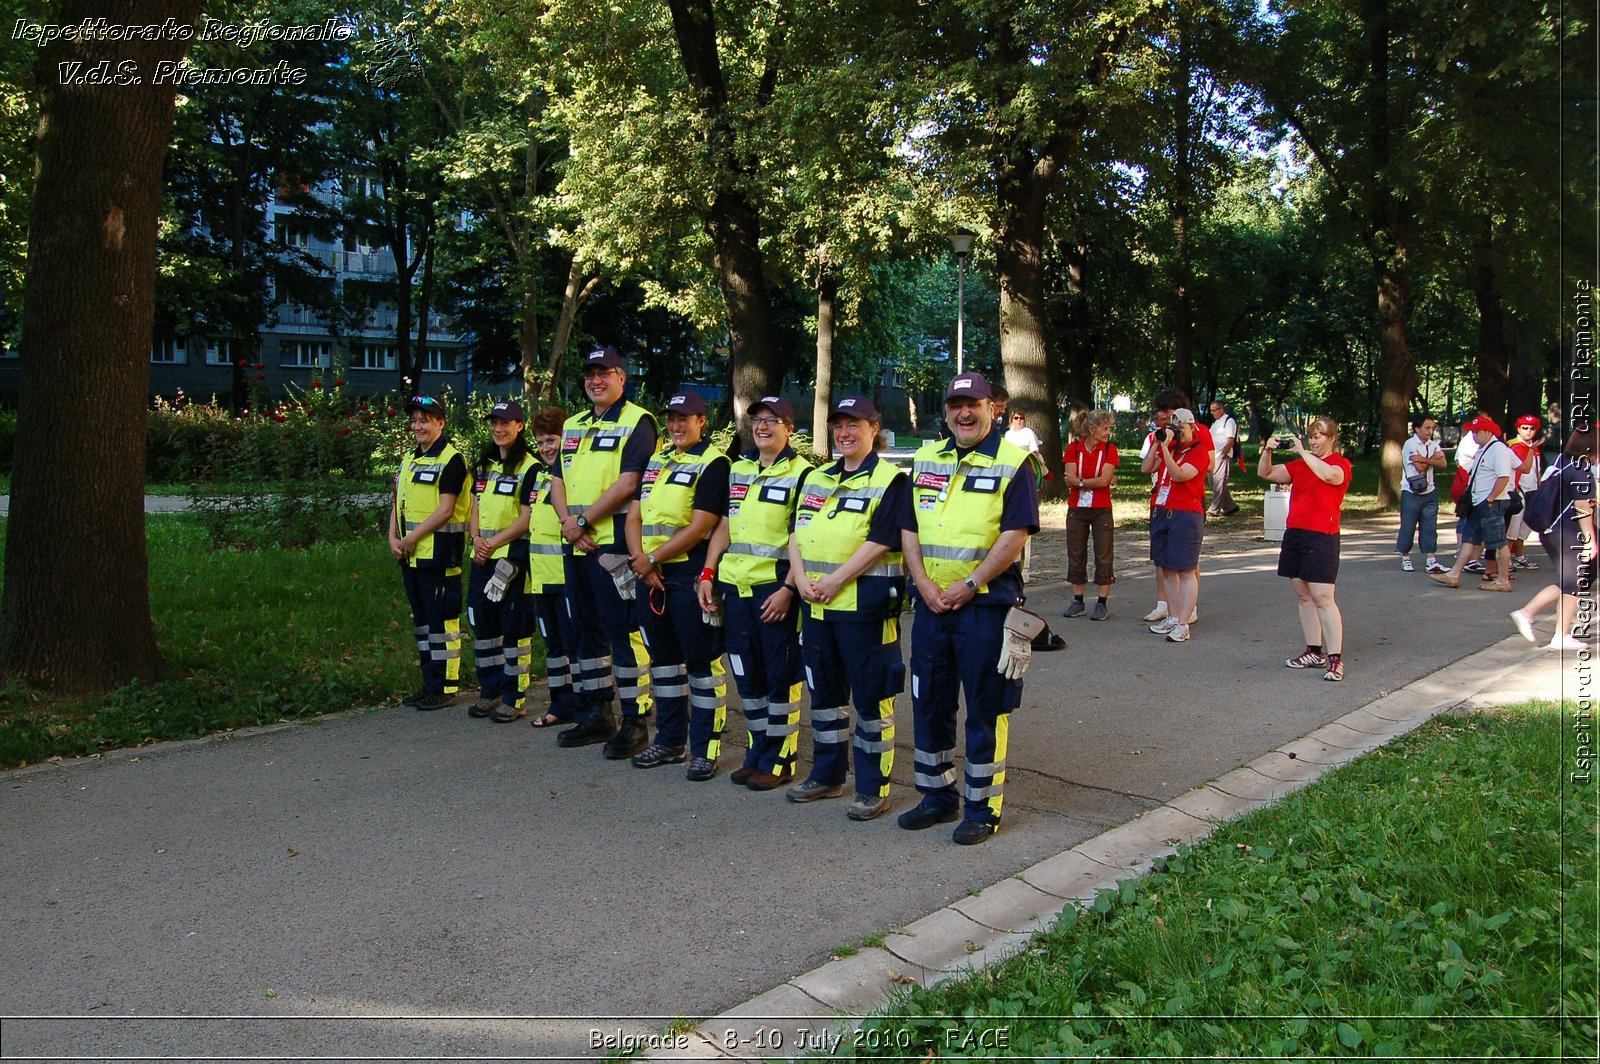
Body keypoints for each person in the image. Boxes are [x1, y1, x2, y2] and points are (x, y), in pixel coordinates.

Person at [900, 372, 1039, 845]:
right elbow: (909, 529)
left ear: (991, 409)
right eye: (956, 405)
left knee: (985, 707)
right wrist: (922, 584)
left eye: (973, 405)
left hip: (984, 606)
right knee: (929, 703)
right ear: (945, 412)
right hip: (931, 606)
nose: (964, 413)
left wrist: (970, 583)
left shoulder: (1014, 461)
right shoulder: (924, 459)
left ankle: (983, 808)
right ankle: (937, 796)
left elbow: (1015, 535)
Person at [787, 396, 911, 822]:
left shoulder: (892, 481)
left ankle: (873, 788)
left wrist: (836, 580)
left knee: (873, 699)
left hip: (866, 609)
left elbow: (880, 542)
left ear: (874, 429)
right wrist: (800, 579)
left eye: (854, 425)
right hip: (818, 608)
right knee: (825, 696)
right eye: (838, 426)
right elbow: (795, 532)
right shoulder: (818, 478)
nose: (845, 433)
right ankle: (827, 774)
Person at [549, 347, 659, 758]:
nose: (596, 380)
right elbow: (557, 479)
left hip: (611, 545)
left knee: (622, 631)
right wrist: (567, 524)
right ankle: (597, 712)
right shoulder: (573, 425)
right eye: (590, 374)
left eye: (605, 373)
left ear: (621, 378)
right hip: (577, 545)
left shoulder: (638, 422)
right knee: (585, 630)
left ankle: (635, 719)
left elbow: (631, 482)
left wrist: (584, 522)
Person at [699, 396, 812, 790]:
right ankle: (756, 752)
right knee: (747, 678)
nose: (763, 426)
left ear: (789, 429)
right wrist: (708, 572)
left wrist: (787, 589)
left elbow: (804, 539)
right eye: (758, 420)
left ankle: (780, 760)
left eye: (773, 420)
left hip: (774, 591)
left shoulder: (803, 475)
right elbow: (726, 526)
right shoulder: (739, 468)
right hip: (736, 587)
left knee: (779, 677)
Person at [625, 392, 731, 781]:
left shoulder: (714, 462)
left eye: (684, 418)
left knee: (702, 665)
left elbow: (702, 525)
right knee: (665, 664)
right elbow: (634, 517)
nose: (676, 425)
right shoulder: (656, 460)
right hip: (652, 577)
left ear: (702, 421)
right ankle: (670, 741)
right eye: (671, 418)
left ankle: (706, 748)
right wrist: (641, 561)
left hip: (687, 577)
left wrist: (652, 559)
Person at [389, 394, 470, 711]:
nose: (418, 426)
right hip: (411, 556)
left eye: (425, 420)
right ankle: (429, 683)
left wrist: (411, 538)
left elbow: (446, 510)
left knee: (443, 622)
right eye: (415, 420)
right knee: (422, 622)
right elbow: (397, 501)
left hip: (439, 555)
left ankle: (446, 686)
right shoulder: (409, 458)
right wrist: (393, 536)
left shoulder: (451, 460)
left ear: (441, 423)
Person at [1259, 417, 1353, 682]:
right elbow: (1266, 474)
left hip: (1322, 536)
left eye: (1318, 436)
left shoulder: (1340, 464)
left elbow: (1329, 476)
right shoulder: (1301, 466)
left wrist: (1301, 451)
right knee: (1303, 595)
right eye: (1310, 437)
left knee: (1323, 596)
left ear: (1331, 438)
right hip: (1296, 534)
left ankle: (1335, 659)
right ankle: (1314, 651)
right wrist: (1267, 450)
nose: (1313, 441)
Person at [465, 400, 538, 723]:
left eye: (505, 423)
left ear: (520, 426)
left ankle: (514, 696)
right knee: (483, 625)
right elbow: (475, 507)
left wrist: (493, 543)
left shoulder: (530, 468)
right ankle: (489, 691)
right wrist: (476, 539)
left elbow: (527, 518)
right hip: (482, 557)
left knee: (513, 629)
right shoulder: (486, 464)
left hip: (512, 559)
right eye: (494, 423)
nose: (498, 428)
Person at [1509, 426, 1598, 651]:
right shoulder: (1582, 470)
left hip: (1551, 529)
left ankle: (1560, 632)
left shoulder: (1562, 461)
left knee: (1570, 582)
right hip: (1568, 530)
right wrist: (1589, 539)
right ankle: (1533, 616)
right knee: (1571, 583)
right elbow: (1582, 507)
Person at [526, 406, 584, 729]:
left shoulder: (572, 476)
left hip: (567, 575)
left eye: (552, 440)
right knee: (554, 648)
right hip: (541, 577)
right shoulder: (537, 476)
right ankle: (559, 704)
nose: (547, 448)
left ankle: (581, 705)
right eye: (541, 442)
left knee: (575, 645)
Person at [1140, 388, 1206, 626]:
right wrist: (1159, 445)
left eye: (1180, 427)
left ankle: (1184, 621)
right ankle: (1173, 615)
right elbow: (1146, 468)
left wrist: (1166, 449)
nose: (1175, 430)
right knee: (1166, 567)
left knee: (1186, 569)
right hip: (1162, 509)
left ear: (1191, 427)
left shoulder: (1197, 450)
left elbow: (1178, 475)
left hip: (1185, 512)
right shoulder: (1168, 446)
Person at [1430, 415, 1516, 592]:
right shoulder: (1484, 448)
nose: (1474, 436)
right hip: (1480, 502)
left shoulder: (1498, 449)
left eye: (1477, 432)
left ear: (1487, 431)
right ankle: (1453, 575)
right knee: (1469, 539)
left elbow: (1504, 477)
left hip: (1491, 502)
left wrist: (1491, 498)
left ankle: (1503, 580)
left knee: (1499, 542)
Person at [1061, 408, 1118, 621]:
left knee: (1103, 553)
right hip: (1077, 508)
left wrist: (1081, 482)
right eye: (1105, 428)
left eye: (1109, 428)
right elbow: (1069, 476)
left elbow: (1104, 480)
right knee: (1076, 551)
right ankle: (1078, 599)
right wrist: (1085, 482)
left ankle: (1102, 603)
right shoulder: (1074, 448)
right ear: (1092, 429)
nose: (1108, 433)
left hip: (1101, 508)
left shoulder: (1110, 450)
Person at [1396, 413, 1448, 573]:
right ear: (1417, 428)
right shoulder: (1410, 444)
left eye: (1432, 428)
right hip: (1412, 491)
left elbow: (1444, 463)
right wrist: (1433, 460)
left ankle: (1431, 560)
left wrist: (1424, 459)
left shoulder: (1433, 444)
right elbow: (1419, 468)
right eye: (1427, 427)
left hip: (1430, 491)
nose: (1430, 431)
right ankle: (1405, 557)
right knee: (1408, 525)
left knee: (1430, 526)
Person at [1506, 414, 1544, 572]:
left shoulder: (1534, 449)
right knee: (1511, 530)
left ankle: (1519, 557)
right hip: (1518, 492)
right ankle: (1505, 560)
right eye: (1525, 428)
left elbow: (1537, 471)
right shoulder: (1515, 447)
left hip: (1532, 492)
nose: (1529, 431)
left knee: (1524, 528)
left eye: (1532, 428)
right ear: (1518, 429)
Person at [1205, 399, 1240, 517]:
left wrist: (1223, 454)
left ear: (1221, 409)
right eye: (1211, 410)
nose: (1212, 413)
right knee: (1212, 482)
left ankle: (1214, 509)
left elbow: (1230, 440)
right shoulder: (1215, 423)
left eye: (1215, 410)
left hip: (1221, 456)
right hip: (1212, 456)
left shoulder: (1229, 421)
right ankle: (1230, 506)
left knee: (1219, 482)